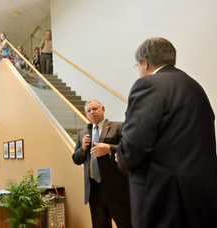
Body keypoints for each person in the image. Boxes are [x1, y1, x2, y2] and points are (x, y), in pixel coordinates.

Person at [116, 37, 217, 228]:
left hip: (163, 200)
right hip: (200, 197)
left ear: (145, 63)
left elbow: (135, 143)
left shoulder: (148, 85)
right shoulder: (195, 87)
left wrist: (121, 157)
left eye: (137, 66)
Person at [73, 100, 132, 228]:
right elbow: (76, 159)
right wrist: (83, 148)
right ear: (86, 114)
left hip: (116, 189)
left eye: (95, 109)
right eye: (89, 111)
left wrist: (109, 148)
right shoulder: (82, 134)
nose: (92, 112)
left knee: (126, 224)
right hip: (94, 190)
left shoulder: (118, 127)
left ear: (102, 109)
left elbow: (129, 149)